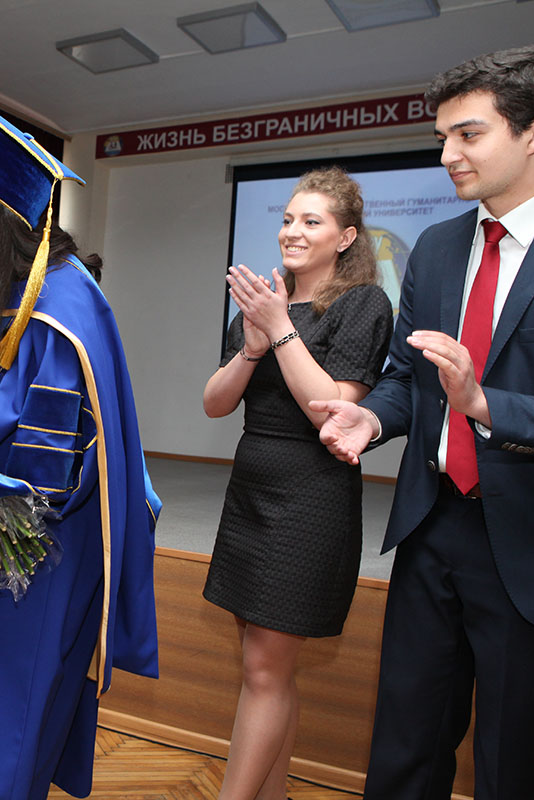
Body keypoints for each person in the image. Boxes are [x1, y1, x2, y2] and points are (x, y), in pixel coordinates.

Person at [311, 46, 534, 799]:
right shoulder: (439, 248)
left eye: (468, 134)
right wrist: (371, 420)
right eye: (443, 136)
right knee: (402, 752)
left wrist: (486, 405)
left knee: (512, 768)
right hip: (432, 528)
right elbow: (408, 379)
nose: (447, 154)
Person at [0, 94, 162, 800]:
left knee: (3, 709)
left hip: (45, 548)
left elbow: (45, 467)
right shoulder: (42, 291)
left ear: (2, 214)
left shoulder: (53, 313)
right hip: (34, 542)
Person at [201, 167, 392, 799]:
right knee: (265, 669)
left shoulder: (363, 303)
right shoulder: (265, 305)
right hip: (250, 493)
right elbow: (215, 404)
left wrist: (279, 329)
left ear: (346, 237)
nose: (292, 231)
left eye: (312, 221)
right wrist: (252, 345)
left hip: (312, 498)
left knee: (265, 667)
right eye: (287, 219)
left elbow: (329, 410)